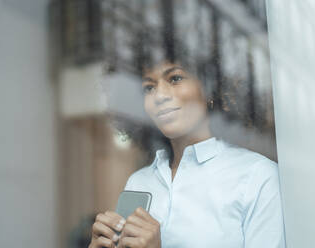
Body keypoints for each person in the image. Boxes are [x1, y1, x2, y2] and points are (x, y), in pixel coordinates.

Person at [88, 61, 286, 248]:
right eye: (149, 87)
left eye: (175, 78)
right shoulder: (139, 182)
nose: (159, 96)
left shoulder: (257, 176)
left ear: (210, 87)